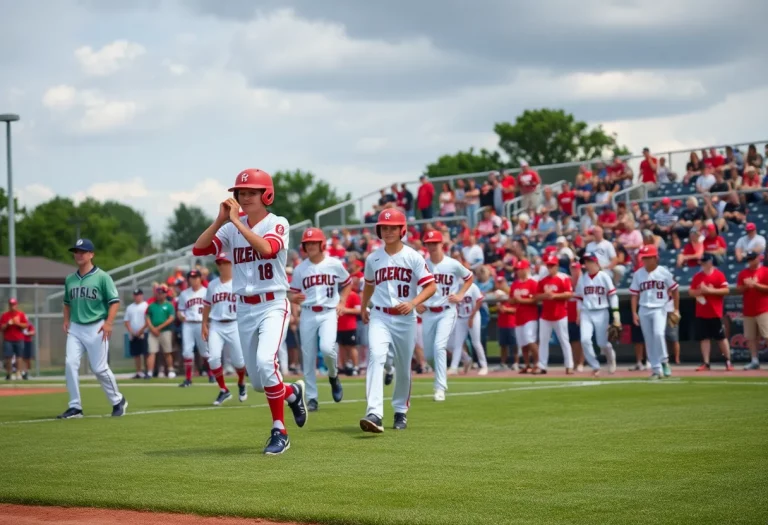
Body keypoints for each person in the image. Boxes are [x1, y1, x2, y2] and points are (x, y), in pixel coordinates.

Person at [192, 168, 307, 455]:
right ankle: (292, 393)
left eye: (251, 192)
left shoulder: (277, 222)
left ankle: (279, 430)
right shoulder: (230, 226)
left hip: (272, 304)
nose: (244, 197)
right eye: (241, 192)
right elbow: (199, 248)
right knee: (258, 382)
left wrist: (236, 224)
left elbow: (267, 249)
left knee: (267, 364)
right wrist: (221, 219)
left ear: (266, 194)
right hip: (244, 307)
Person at [359, 209, 436, 433]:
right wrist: (364, 306)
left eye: (393, 227)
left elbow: (431, 286)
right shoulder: (373, 258)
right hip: (380, 315)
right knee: (376, 356)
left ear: (402, 229)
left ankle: (400, 409)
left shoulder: (413, 256)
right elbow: (369, 284)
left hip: (405, 318)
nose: (388, 230)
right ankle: (374, 412)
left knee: (403, 366)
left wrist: (413, 302)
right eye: (384, 227)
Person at [57, 238, 127, 419]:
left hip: (97, 326)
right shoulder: (70, 279)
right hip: (76, 327)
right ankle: (75, 407)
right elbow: (66, 303)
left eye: (82, 251)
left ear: (91, 254)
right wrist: (66, 320)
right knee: (70, 363)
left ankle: (118, 400)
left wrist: (109, 322)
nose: (78, 254)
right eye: (76, 251)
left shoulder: (102, 277)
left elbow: (114, 302)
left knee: (99, 368)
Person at [289, 227, 351, 412]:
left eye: (314, 242)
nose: (311, 246)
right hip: (307, 312)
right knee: (307, 356)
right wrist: (294, 300)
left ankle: (333, 375)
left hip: (328, 311)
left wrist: (343, 302)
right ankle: (312, 398)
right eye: (307, 243)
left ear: (322, 244)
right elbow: (293, 294)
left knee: (326, 348)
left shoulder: (334, 263)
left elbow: (347, 283)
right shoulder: (300, 268)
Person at [420, 230, 473, 401]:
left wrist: (460, 295)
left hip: (446, 311)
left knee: (439, 346)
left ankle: (440, 388)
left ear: (442, 244)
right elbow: (413, 284)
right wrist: (415, 303)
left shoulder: (452, 264)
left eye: (435, 242)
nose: (432, 246)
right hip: (428, 312)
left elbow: (469, 277)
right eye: (429, 243)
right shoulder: (422, 264)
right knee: (429, 355)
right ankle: (440, 373)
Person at [202, 252, 248, 406]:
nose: (222, 265)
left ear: (232, 264)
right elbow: (207, 305)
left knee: (239, 361)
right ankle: (223, 389)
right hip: (216, 324)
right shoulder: (212, 284)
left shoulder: (239, 282)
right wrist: (204, 324)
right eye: (219, 263)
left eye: (225, 262)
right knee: (213, 358)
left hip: (235, 323)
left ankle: (241, 382)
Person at [630, 245, 679, 380]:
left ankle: (664, 361)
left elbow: (675, 289)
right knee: (649, 340)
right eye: (644, 257)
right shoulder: (638, 273)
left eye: (648, 257)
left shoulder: (663, 272)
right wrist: (634, 312)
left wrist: (676, 308)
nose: (645, 260)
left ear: (655, 258)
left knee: (658, 334)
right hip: (644, 308)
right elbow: (634, 294)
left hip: (659, 308)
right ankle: (656, 370)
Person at [574, 253, 618, 376]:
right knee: (585, 340)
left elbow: (612, 295)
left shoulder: (604, 276)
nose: (586, 264)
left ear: (595, 262)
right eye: (585, 262)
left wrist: (616, 313)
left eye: (589, 261)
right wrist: (578, 314)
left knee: (602, 343)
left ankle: (611, 359)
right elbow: (579, 298)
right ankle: (595, 366)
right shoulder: (582, 278)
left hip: (602, 311)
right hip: (586, 312)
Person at [689, 254, 733, 371]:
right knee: (704, 338)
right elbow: (691, 292)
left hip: (715, 312)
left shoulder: (719, 275)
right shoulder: (698, 276)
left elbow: (726, 290)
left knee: (721, 337)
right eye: (701, 262)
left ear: (710, 262)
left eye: (704, 262)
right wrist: (700, 291)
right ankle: (706, 363)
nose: (702, 264)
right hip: (702, 312)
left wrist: (710, 290)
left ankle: (728, 361)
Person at [536, 256, 574, 374]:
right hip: (546, 315)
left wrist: (555, 295)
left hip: (560, 314)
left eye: (552, 265)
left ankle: (569, 365)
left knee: (564, 340)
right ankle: (542, 366)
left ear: (557, 266)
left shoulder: (563, 278)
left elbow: (569, 294)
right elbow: (536, 296)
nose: (550, 268)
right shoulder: (543, 280)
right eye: (548, 266)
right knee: (543, 341)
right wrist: (545, 296)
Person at [177, 270, 211, 386]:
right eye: (191, 278)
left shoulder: (207, 292)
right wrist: (181, 317)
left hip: (201, 323)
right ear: (188, 280)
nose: (194, 280)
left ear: (200, 278)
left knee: (205, 350)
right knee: (187, 351)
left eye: (196, 277)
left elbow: (212, 308)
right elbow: (180, 310)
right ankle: (188, 379)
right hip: (188, 324)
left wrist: (208, 323)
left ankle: (211, 374)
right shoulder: (184, 294)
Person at [448, 282, 487, 376]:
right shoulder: (454, 286)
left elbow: (479, 300)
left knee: (476, 342)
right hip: (460, 317)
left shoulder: (472, 287)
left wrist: (471, 317)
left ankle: (484, 366)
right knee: (457, 344)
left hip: (473, 316)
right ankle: (454, 367)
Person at [737, 252, 766, 370]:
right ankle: (754, 360)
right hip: (749, 310)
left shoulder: (765, 271)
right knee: (751, 337)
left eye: (752, 259)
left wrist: (756, 285)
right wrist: (746, 286)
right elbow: (739, 289)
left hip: (764, 308)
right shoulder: (743, 273)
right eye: (748, 259)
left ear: (758, 258)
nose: (750, 261)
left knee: (767, 334)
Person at [509, 260, 539, 374]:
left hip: (530, 316)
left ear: (527, 269)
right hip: (518, 316)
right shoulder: (515, 284)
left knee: (530, 339)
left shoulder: (532, 282)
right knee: (522, 343)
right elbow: (510, 299)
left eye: (521, 269)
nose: (519, 271)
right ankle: (527, 364)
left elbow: (536, 299)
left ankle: (537, 363)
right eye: (518, 269)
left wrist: (521, 300)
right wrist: (514, 300)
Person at [145, 285, 176, 378]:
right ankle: (149, 372)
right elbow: (147, 317)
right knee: (152, 352)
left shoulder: (169, 305)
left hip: (165, 331)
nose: (160, 295)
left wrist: (158, 328)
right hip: (153, 332)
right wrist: (152, 328)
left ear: (165, 294)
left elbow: (171, 318)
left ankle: (170, 369)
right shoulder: (152, 306)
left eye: (162, 293)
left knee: (167, 351)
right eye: (158, 293)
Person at [338, 273, 362, 376]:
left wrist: (345, 310)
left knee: (351, 346)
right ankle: (343, 366)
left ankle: (356, 366)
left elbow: (358, 311)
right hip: (339, 325)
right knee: (341, 346)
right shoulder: (337, 296)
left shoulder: (353, 295)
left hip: (349, 325)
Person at [123, 289, 149, 379]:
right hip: (133, 334)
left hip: (144, 332)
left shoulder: (146, 305)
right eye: (135, 295)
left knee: (146, 353)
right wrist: (131, 331)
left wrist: (141, 330)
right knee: (136, 354)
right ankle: (138, 371)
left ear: (142, 295)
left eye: (138, 295)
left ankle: (147, 371)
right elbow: (126, 321)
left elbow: (148, 320)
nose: (137, 297)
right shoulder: (130, 307)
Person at [1, 298, 29, 380]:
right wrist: (8, 323)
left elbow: (25, 325)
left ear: (16, 305)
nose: (12, 306)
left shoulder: (21, 314)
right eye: (11, 305)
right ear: (9, 305)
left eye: (14, 304)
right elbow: (1, 327)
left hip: (19, 339)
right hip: (8, 339)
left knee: (19, 356)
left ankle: (18, 373)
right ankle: (9, 374)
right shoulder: (5, 315)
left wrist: (17, 323)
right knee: (8, 357)